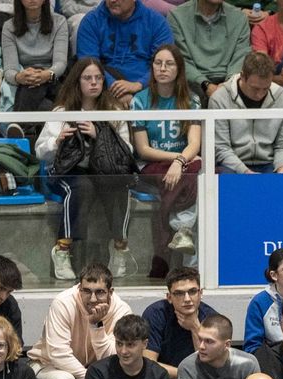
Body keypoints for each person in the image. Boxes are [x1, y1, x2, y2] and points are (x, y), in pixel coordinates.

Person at [36, 59, 135, 282]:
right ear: (77, 81)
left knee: (120, 186)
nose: (93, 83)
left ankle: (120, 249)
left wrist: (100, 135)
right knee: (81, 187)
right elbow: (40, 151)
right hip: (68, 171)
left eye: (98, 78)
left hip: (105, 170)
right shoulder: (62, 111)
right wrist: (56, 141)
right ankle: (62, 249)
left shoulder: (114, 109)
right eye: (87, 78)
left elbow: (128, 150)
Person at [131, 45, 203, 280]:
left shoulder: (191, 100)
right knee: (189, 171)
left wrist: (182, 160)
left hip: (182, 163)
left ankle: (176, 239)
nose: (162, 68)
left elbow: (194, 143)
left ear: (179, 69)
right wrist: (179, 160)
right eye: (158, 63)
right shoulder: (140, 100)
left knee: (195, 171)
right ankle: (179, 232)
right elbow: (143, 149)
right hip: (151, 165)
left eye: (169, 64)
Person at [33, 263, 132, 379]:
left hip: (93, 370)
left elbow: (116, 357)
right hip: (46, 365)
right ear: (79, 288)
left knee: (123, 375)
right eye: (86, 291)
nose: (92, 299)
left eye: (99, 292)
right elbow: (58, 354)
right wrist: (89, 378)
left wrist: (96, 326)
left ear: (110, 292)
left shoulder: (122, 311)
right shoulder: (63, 302)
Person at [211, 52, 283, 175]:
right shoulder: (220, 98)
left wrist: (282, 169)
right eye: (255, 88)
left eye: (266, 88)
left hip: (270, 164)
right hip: (232, 165)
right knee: (225, 178)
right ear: (242, 76)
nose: (260, 94)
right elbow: (221, 148)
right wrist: (245, 172)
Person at [75, 0, 173, 103]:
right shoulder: (91, 21)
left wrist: (139, 85)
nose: (112, 1)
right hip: (103, 90)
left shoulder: (156, 22)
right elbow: (88, 62)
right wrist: (116, 89)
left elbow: (164, 63)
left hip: (149, 89)